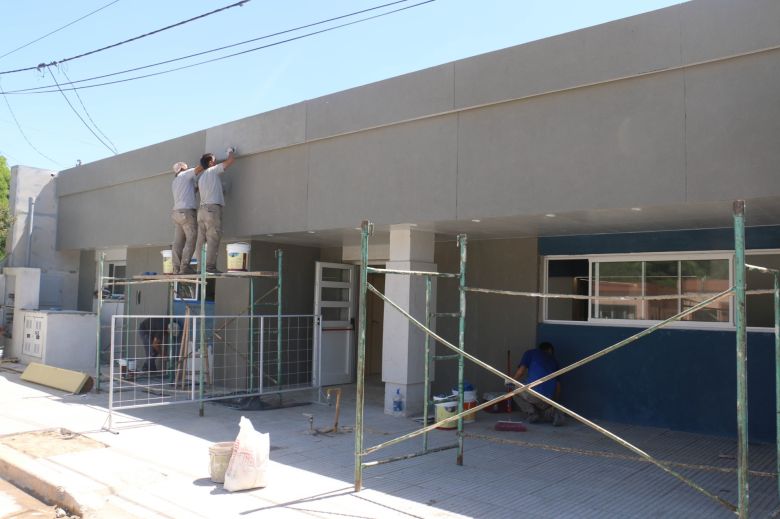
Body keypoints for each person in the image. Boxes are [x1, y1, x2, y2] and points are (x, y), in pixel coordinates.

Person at [195, 147, 237, 273]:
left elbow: (211, 189)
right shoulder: (213, 170)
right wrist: (230, 151)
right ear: (210, 163)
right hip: (212, 210)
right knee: (213, 238)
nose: (216, 161)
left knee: (201, 241)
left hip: (201, 211)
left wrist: (221, 189)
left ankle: (200, 268)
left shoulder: (201, 177)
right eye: (214, 160)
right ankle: (209, 267)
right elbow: (230, 161)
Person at [511, 341, 565, 426]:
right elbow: (558, 386)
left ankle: (532, 413)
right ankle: (554, 412)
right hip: (548, 398)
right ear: (550, 350)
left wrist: (510, 382)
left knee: (514, 390)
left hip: (533, 395)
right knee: (544, 405)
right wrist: (554, 403)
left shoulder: (530, 353)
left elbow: (520, 372)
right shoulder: (555, 361)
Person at [170, 161, 203, 274]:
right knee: (192, 238)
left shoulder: (175, 181)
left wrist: (197, 187)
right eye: (187, 167)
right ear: (182, 168)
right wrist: (207, 162)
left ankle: (176, 268)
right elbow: (199, 168)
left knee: (178, 241)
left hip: (176, 213)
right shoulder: (185, 174)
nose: (189, 167)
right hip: (187, 212)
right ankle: (185, 267)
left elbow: (190, 191)